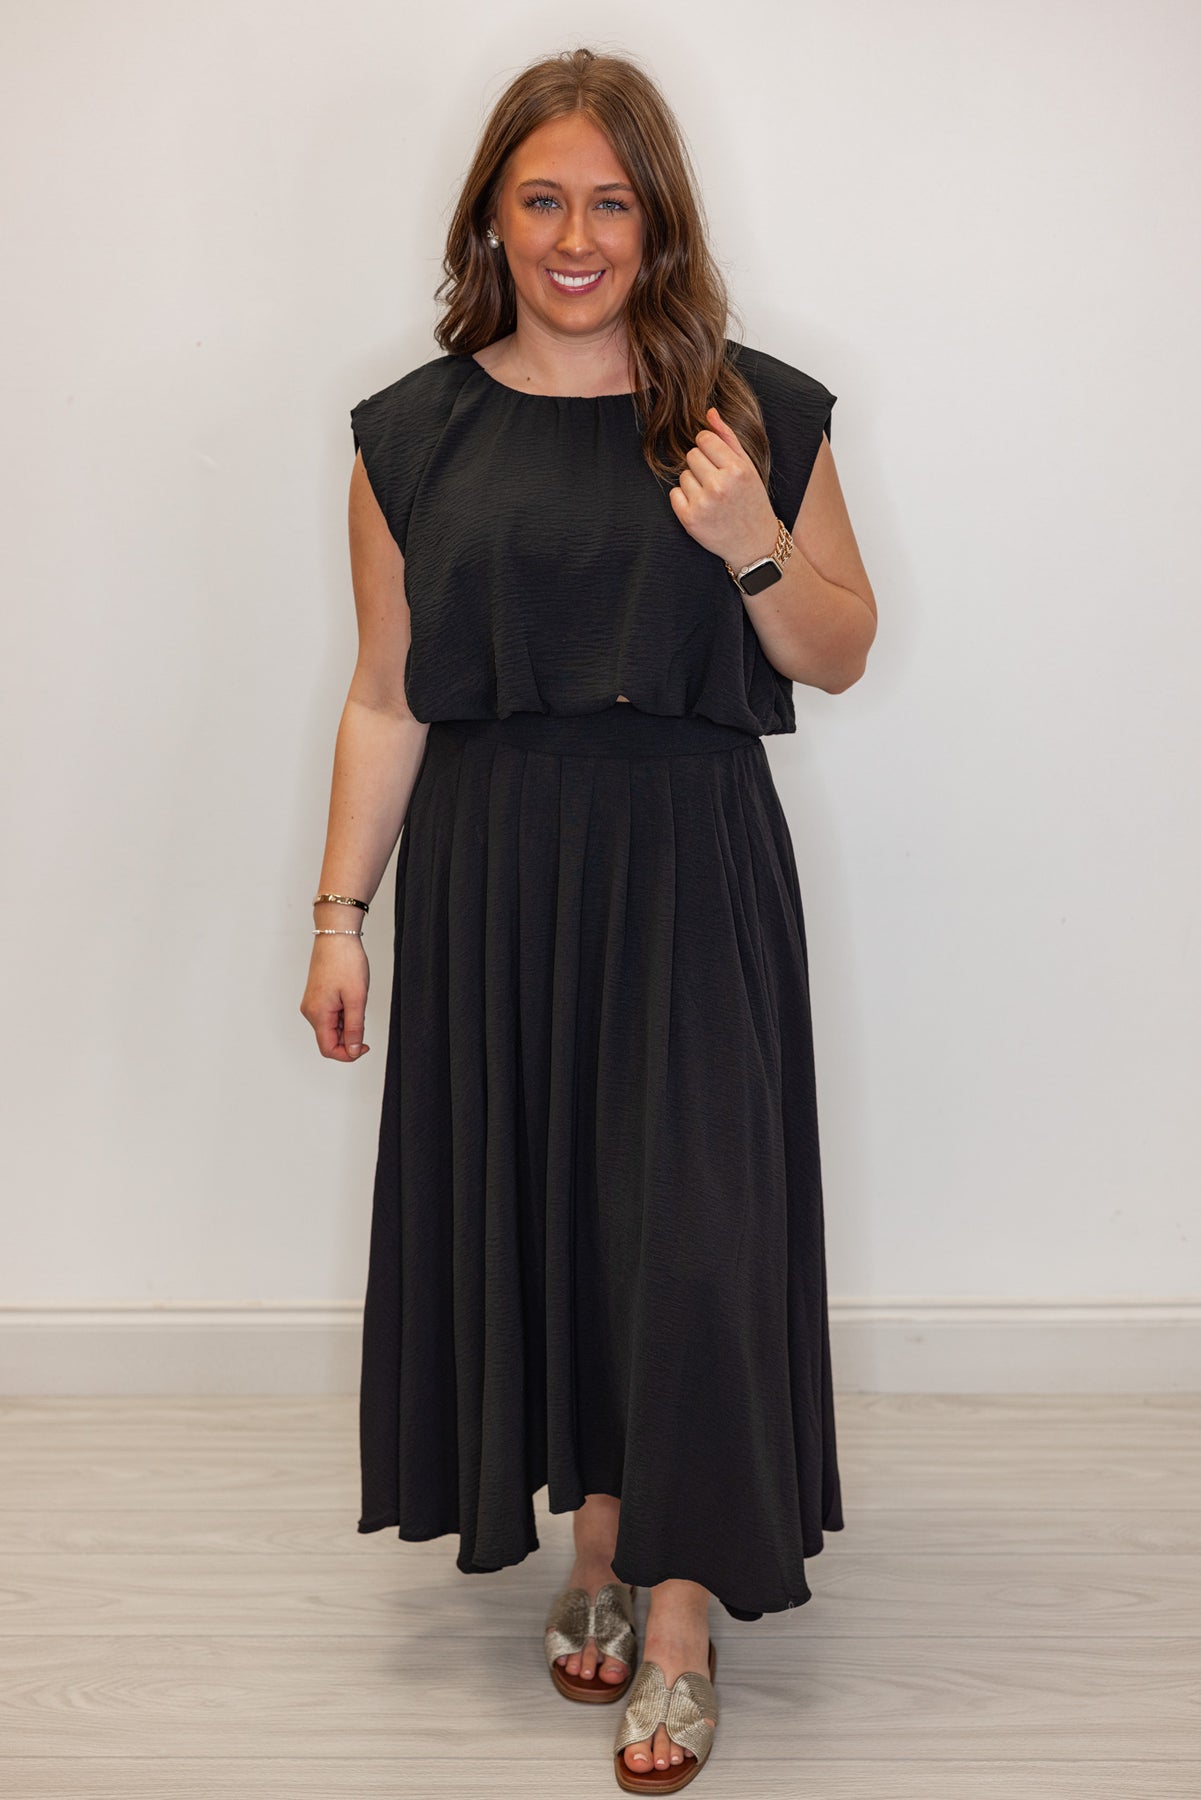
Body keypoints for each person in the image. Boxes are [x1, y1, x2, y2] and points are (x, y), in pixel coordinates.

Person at [300, 44, 876, 1794]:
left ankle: (679, 1620)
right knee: (555, 1218)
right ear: (491, 214)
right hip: (493, 873)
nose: (574, 236)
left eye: (609, 203)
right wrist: (340, 914)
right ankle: (602, 1548)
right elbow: (386, 695)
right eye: (541, 199)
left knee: (689, 1237)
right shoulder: (410, 436)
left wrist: (750, 537)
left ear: (656, 219)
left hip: (689, 864)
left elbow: (839, 649)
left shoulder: (749, 413)